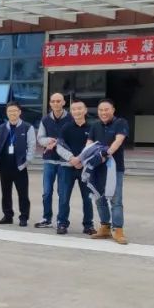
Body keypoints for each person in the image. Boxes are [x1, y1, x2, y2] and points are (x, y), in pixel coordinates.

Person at [88, 98, 129, 245]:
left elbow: (118, 140)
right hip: (98, 169)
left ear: (113, 110)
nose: (103, 112)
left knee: (116, 200)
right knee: (99, 198)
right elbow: (89, 144)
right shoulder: (95, 126)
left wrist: (106, 153)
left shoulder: (121, 123)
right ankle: (105, 227)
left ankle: (118, 230)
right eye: (101, 110)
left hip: (114, 169)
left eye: (106, 109)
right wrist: (85, 157)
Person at [54, 99, 96, 236]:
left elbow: (95, 148)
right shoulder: (66, 127)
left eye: (79, 108)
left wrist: (82, 161)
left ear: (85, 110)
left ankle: (88, 225)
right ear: (71, 112)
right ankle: (62, 223)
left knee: (87, 198)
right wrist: (72, 159)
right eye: (74, 109)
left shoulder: (93, 127)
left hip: (86, 168)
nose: (77, 111)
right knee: (64, 197)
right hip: (67, 167)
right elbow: (59, 146)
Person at [0, 101, 36, 226]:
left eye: (15, 111)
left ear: (19, 112)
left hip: (20, 165)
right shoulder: (1, 128)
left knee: (23, 193)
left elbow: (32, 146)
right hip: (4, 165)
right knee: (5, 192)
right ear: (7, 113)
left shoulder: (27, 127)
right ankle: (7, 216)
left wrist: (26, 162)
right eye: (10, 111)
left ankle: (24, 217)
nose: (12, 113)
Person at [35, 93, 69, 228]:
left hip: (65, 161)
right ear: (50, 103)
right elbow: (40, 138)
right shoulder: (45, 119)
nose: (56, 103)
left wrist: (59, 142)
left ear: (64, 102)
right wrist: (48, 140)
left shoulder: (71, 118)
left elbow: (73, 137)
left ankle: (61, 221)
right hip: (49, 160)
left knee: (63, 193)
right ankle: (46, 218)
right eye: (53, 101)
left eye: (58, 101)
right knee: (47, 192)